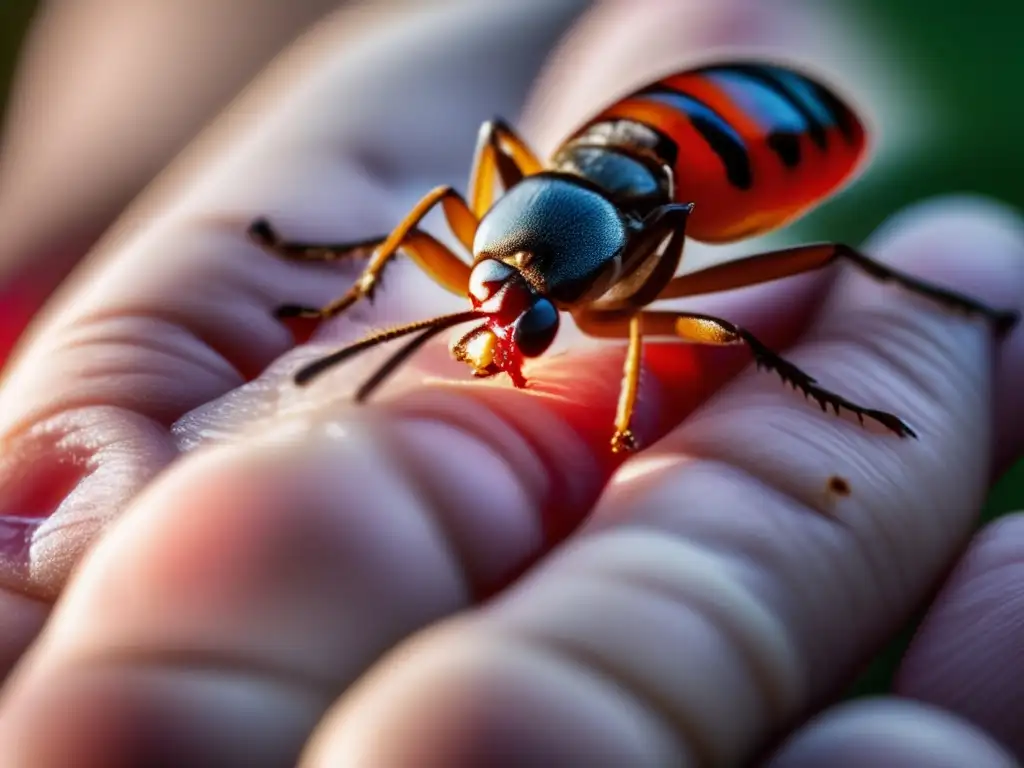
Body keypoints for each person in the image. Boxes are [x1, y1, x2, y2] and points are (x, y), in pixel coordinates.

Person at [0, 1, 1020, 765]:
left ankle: (921, 286)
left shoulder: (626, 256)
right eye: (493, 297)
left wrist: (625, 420)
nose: (498, 335)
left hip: (772, 129)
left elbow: (644, 294)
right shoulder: (531, 233)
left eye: (510, 311)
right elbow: (465, 201)